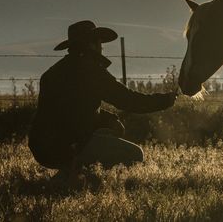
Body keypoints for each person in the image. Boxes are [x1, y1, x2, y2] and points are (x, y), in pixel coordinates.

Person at [29, 20, 176, 175]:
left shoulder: (52, 73)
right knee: (134, 154)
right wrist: (166, 100)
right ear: (92, 44)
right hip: (69, 143)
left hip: (41, 146)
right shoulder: (91, 70)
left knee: (106, 133)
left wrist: (108, 119)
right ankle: (77, 175)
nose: (102, 48)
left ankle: (71, 170)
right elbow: (128, 100)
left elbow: (71, 110)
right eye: (100, 43)